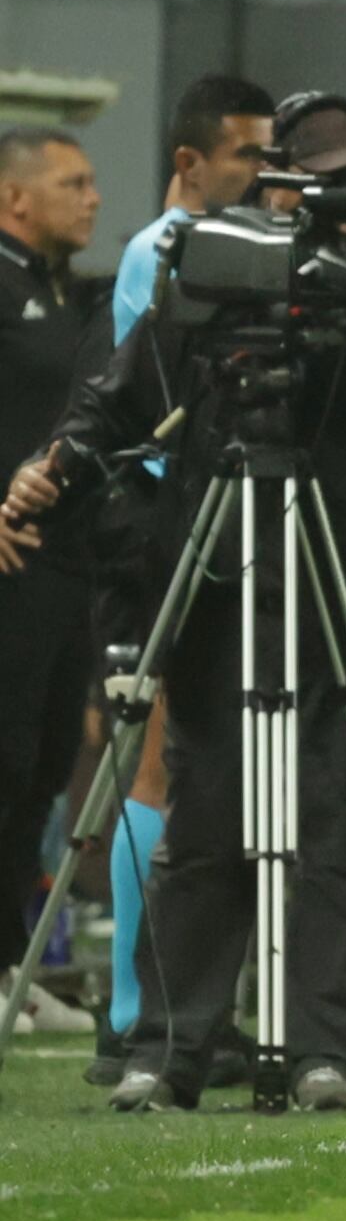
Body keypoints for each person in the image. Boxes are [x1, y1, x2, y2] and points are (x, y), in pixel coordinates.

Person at [2, 96, 346, 1112]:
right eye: (322, 194)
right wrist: (56, 465)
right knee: (208, 818)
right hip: (226, 586)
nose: (341, 220)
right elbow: (122, 393)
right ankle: (171, 1050)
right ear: (279, 192)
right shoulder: (218, 270)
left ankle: (324, 1053)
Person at [87, 73, 277, 1083]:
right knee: (162, 766)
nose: (263, 172)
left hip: (205, 523)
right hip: (172, 526)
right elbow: (158, 407)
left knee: (192, 768)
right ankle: (135, 1009)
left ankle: (178, 1002)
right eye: (246, 154)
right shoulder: (165, 249)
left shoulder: (222, 245)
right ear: (190, 164)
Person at [0, 128, 103, 1036]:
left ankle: (9, 965)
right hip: (10, 565)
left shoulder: (68, 291)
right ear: (15, 197)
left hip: (67, 567)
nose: (93, 197)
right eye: (73, 183)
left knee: (40, 767)